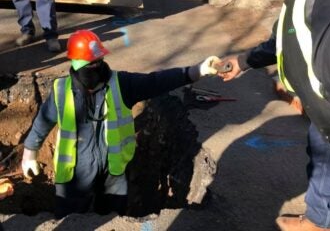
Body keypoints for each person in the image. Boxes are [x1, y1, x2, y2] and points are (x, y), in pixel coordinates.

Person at [217, 0, 330, 230]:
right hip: (325, 106)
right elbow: (285, 38)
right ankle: (320, 220)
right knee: (321, 164)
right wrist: (243, 61)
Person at [21, 29, 221, 218]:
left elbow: (157, 81)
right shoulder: (61, 90)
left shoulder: (121, 84)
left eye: (97, 61)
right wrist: (30, 151)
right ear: (73, 61)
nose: (94, 67)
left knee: (110, 217)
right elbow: (43, 121)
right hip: (74, 171)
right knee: (69, 218)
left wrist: (197, 71)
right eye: (88, 63)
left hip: (113, 170)